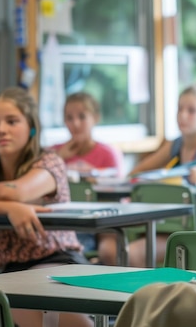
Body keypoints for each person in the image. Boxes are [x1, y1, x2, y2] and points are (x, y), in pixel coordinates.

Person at [0, 87, 91, 327]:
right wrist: (6, 209)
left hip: (58, 260)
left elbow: (18, 191)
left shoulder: (49, 160)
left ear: (31, 126)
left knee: (44, 307)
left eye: (12, 121)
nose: (1, 129)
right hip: (8, 269)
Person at [127, 80, 196, 267]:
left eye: (191, 110)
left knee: (133, 253)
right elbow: (136, 173)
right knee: (121, 248)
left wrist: (166, 176)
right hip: (174, 224)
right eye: (179, 109)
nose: (183, 115)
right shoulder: (175, 145)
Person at [51, 91, 125, 265]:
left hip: (103, 223)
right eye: (69, 118)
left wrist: (95, 176)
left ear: (95, 118)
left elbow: (120, 191)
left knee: (110, 252)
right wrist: (59, 157)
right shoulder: (53, 153)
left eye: (82, 117)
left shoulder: (108, 154)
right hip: (65, 223)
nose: (75, 123)